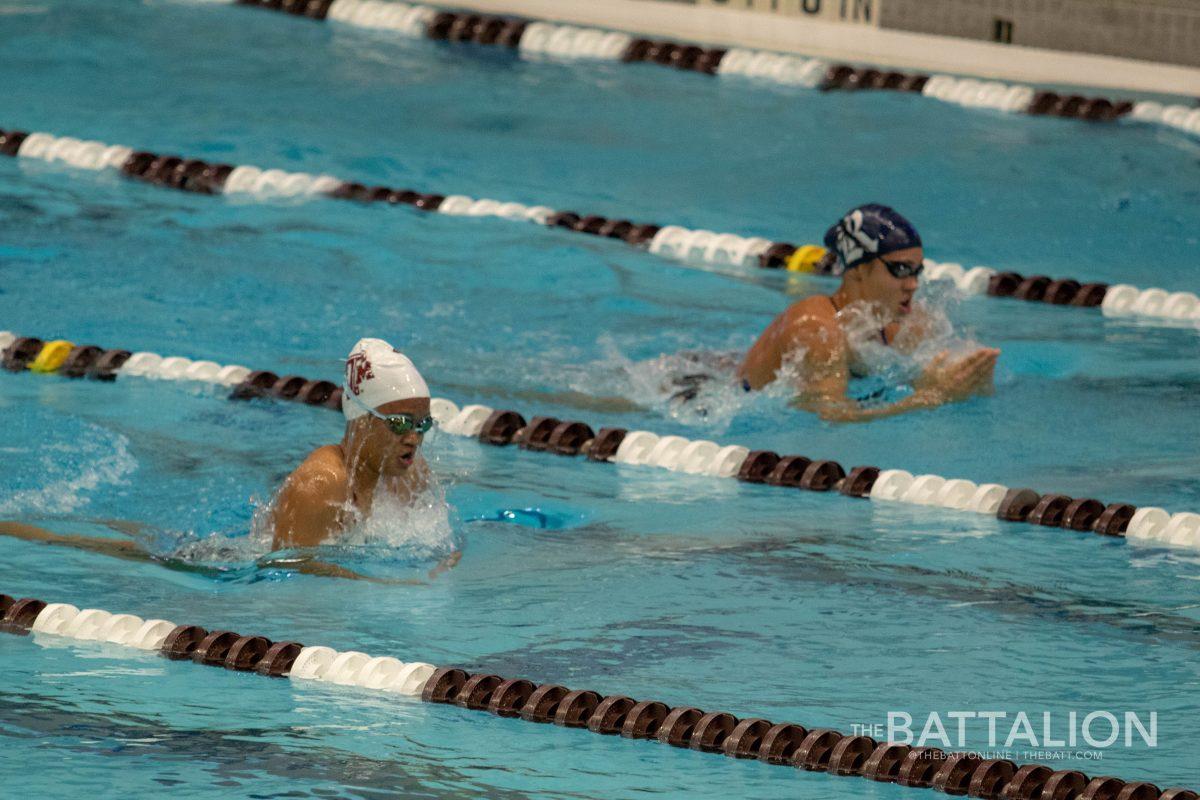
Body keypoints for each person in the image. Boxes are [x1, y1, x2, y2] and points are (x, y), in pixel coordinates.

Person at [738, 204, 999, 422]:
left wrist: (973, 383)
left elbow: (940, 385)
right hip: (716, 396)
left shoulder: (906, 322)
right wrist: (928, 398)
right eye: (900, 270)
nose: (913, 284)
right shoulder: (817, 328)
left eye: (917, 271)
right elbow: (831, 418)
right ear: (858, 270)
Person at [271, 337, 435, 549]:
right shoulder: (320, 486)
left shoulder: (410, 476)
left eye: (423, 424)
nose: (414, 439)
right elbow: (285, 570)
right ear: (361, 420)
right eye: (400, 423)